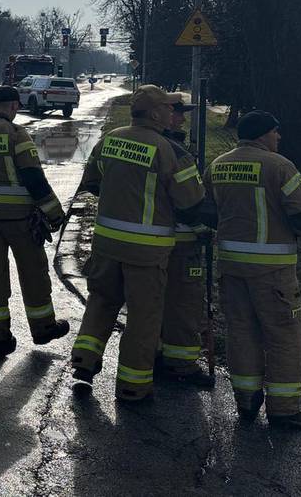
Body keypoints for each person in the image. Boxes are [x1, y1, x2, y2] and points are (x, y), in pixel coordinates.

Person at [70, 85, 206, 402]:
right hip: (146, 251)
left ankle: (84, 360)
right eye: (168, 108)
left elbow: (92, 182)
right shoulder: (169, 150)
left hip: (106, 244)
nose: (172, 113)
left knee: (102, 301)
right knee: (144, 318)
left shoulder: (110, 139)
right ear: (156, 113)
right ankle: (133, 386)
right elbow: (191, 203)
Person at [204, 111, 301, 428]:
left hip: (231, 267)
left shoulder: (218, 165)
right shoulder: (278, 166)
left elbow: (207, 212)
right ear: (262, 134)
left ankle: (246, 400)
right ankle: (284, 409)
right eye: (275, 132)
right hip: (273, 271)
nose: (278, 137)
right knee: (283, 335)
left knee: (240, 332)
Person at [0, 86, 70, 355]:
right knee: (33, 272)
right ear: (14, 107)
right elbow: (33, 177)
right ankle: (43, 328)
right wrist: (54, 212)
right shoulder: (16, 134)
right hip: (20, 219)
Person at [157, 99, 216, 387]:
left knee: (154, 301)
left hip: (152, 242)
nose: (182, 119)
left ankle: (154, 355)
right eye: (178, 113)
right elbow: (189, 202)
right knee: (184, 304)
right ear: (163, 114)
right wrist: (203, 228)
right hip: (181, 241)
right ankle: (181, 365)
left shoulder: (146, 144)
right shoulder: (173, 150)